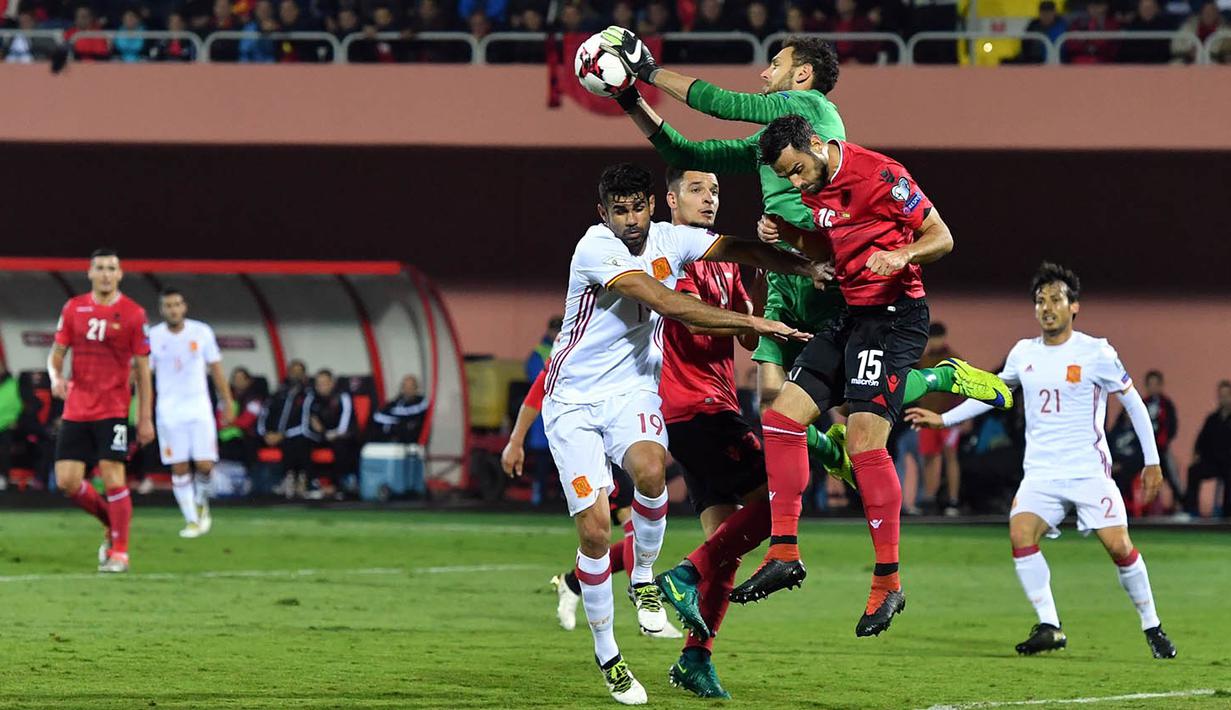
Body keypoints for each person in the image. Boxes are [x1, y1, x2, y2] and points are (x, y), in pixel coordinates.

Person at [603, 29, 1008, 485]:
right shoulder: (772, 147)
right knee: (773, 404)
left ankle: (938, 379)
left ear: (802, 74)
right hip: (784, 275)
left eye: (774, 64)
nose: (764, 72)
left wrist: (649, 69)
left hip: (827, 265)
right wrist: (629, 98)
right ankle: (817, 469)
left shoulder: (811, 108)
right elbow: (687, 152)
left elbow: (722, 103)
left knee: (862, 392)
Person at [543, 162, 817, 705]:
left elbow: (742, 250)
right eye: (618, 210)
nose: (629, 220)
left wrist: (804, 265)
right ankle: (611, 651)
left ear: (651, 206)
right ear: (606, 213)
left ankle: (653, 588)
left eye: (635, 208)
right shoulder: (597, 249)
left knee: (665, 486)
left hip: (639, 398)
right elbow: (670, 305)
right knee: (598, 531)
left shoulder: (682, 242)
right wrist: (755, 324)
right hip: (589, 404)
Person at [733, 114, 994, 641]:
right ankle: (784, 552)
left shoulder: (879, 174)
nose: (799, 183)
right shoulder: (812, 189)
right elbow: (826, 250)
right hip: (851, 315)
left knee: (861, 440)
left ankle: (888, 583)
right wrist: (788, 236)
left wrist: (902, 254)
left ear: (815, 143)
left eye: (800, 170)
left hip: (896, 316)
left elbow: (942, 236)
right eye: (790, 178)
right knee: (781, 418)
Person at [907, 262, 1177, 660]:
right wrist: (943, 417)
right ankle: (1050, 625)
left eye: (1055, 299)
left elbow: (1133, 403)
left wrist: (1151, 462)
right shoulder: (1023, 353)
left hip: (1088, 471)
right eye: (1040, 301)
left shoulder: (1096, 351)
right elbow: (992, 392)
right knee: (1020, 535)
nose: (1046, 307)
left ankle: (1152, 626)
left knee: (1120, 547)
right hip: (1041, 473)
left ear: (1074, 307)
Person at [503, 355, 680, 639]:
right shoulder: (575, 347)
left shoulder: (630, 344)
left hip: (620, 440)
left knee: (633, 529)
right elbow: (540, 387)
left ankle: (573, 582)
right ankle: (643, 605)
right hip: (592, 455)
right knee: (630, 528)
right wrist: (516, 439)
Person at [48, 249, 155, 573]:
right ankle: (112, 521)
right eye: (100, 268)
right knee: (67, 482)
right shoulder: (73, 308)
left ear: (120, 274)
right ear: (90, 273)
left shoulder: (134, 313)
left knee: (113, 476)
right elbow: (56, 354)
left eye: (112, 268)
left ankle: (120, 552)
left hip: (113, 408)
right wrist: (56, 378)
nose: (106, 274)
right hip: (77, 407)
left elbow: (143, 369)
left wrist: (145, 417)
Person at [149, 288, 234, 538]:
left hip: (198, 408)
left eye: (177, 304)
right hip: (169, 410)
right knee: (179, 467)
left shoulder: (202, 332)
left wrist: (227, 401)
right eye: (168, 306)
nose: (173, 310)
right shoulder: (153, 336)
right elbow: (144, 373)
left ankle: (201, 501)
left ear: (184, 307)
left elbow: (216, 369)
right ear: (162, 310)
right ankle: (191, 520)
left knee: (205, 465)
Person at [915, 322, 963, 516]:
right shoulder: (923, 360)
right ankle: (929, 498)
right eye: (932, 338)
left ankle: (953, 500)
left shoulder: (954, 360)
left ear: (944, 337)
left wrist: (958, 416)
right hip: (926, 416)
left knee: (950, 457)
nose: (935, 342)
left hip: (948, 418)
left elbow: (963, 390)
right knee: (927, 457)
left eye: (937, 338)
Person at [524, 315, 563, 504]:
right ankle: (539, 495)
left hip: (563, 410)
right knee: (542, 461)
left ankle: (563, 497)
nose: (556, 332)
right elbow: (536, 379)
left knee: (563, 460)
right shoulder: (539, 352)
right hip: (545, 410)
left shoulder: (571, 346)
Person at [303, 368, 356, 498]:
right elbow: (307, 424)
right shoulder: (311, 398)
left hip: (342, 436)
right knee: (302, 443)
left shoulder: (343, 397)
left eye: (325, 383)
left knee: (341, 446)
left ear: (332, 383)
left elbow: (344, 426)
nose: (322, 387)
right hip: (321, 436)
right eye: (318, 384)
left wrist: (325, 432)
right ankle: (311, 483)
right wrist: (320, 433)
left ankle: (337, 485)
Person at [1184, 381, 1231, 518]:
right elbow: (1201, 440)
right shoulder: (1212, 419)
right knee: (1193, 470)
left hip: (1229, 463)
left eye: (1227, 395)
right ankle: (1191, 511)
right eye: (1221, 396)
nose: (1224, 399)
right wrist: (1196, 453)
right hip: (1213, 462)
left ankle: (1227, 514)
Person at [1141, 370, 1181, 510]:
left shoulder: (1167, 404)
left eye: (1155, 384)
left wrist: (1162, 442)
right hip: (1142, 451)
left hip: (1162, 449)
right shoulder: (1140, 404)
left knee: (1172, 474)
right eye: (1150, 384)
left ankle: (1180, 505)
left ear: (1160, 385)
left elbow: (1173, 426)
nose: (1152, 387)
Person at [370, 375, 429, 443]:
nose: (407, 390)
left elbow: (409, 414)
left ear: (416, 388)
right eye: (405, 386)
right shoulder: (397, 401)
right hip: (389, 439)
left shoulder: (421, 402)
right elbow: (378, 415)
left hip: (409, 440)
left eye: (410, 387)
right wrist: (395, 420)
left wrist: (396, 418)